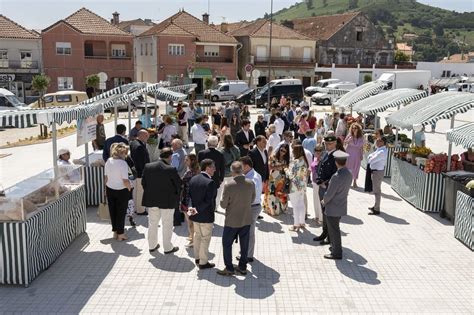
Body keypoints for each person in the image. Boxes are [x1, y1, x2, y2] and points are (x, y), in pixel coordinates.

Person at [217, 161, 255, 276]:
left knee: (227, 244)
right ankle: (242, 267)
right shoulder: (251, 183)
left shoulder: (229, 185)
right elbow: (252, 200)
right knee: (244, 245)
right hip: (246, 219)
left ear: (232, 171)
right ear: (242, 170)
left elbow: (223, 205)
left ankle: (229, 268)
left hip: (232, 220)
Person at [142, 148, 182, 254]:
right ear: (169, 157)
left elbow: (143, 183)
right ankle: (167, 247)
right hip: (167, 201)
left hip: (152, 200)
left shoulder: (148, 166)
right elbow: (178, 185)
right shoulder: (171, 169)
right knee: (167, 224)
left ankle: (152, 245)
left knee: (152, 223)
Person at [322, 150, 352, 260]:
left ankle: (336, 252)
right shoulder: (348, 173)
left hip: (333, 207)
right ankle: (336, 248)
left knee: (334, 230)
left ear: (336, 162)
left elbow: (329, 194)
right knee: (336, 228)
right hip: (341, 205)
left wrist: (324, 201)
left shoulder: (336, 176)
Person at [188, 159, 218, 269]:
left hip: (195, 215)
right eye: (213, 167)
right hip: (205, 216)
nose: (215, 170)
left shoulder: (193, 179)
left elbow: (189, 196)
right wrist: (197, 210)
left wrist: (192, 210)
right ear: (207, 168)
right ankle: (203, 262)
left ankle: (197, 257)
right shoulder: (210, 182)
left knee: (197, 236)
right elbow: (208, 201)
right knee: (205, 238)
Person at [104, 143, 132, 241]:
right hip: (121, 190)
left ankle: (115, 231)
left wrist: (105, 190)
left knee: (113, 211)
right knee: (121, 212)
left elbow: (106, 177)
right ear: (122, 153)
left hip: (110, 188)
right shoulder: (123, 163)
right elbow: (125, 180)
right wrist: (129, 188)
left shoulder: (108, 161)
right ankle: (121, 234)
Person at [313, 135, 338, 244]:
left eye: (331, 143)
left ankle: (330, 237)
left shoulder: (337, 156)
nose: (328, 145)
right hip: (321, 188)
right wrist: (318, 180)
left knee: (329, 213)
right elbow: (319, 168)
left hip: (329, 188)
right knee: (324, 212)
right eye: (327, 144)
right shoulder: (325, 154)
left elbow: (336, 174)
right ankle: (325, 233)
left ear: (335, 143)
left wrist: (325, 183)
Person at [240, 156, 263, 263]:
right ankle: (246, 252)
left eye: (241, 166)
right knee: (247, 231)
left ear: (247, 166)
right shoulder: (253, 175)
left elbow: (251, 195)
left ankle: (248, 256)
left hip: (251, 207)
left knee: (249, 232)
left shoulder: (252, 178)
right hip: (252, 206)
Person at [286, 145, 309, 231]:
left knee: (295, 206)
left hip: (294, 186)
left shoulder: (295, 162)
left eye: (293, 151)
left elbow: (291, 175)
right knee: (301, 204)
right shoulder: (304, 161)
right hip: (302, 186)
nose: (292, 152)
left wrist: (285, 169)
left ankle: (296, 225)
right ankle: (302, 222)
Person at [198, 136, 225, 206]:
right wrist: (221, 179)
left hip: (202, 179)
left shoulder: (201, 153)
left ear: (208, 143)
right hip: (215, 179)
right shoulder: (220, 154)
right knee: (213, 197)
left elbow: (198, 166)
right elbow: (222, 168)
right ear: (216, 144)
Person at [264, 143, 290, 216]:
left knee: (280, 193)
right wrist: (279, 167)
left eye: (284, 151)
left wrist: (282, 168)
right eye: (281, 150)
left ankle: (280, 208)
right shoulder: (273, 156)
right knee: (271, 193)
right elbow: (270, 167)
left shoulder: (286, 159)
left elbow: (287, 168)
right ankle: (271, 209)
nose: (282, 152)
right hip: (273, 177)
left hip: (281, 178)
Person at [180, 154, 200, 248]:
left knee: (191, 221)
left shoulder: (190, 173)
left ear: (192, 161)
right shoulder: (197, 171)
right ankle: (191, 236)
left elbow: (182, 184)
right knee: (190, 221)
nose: (185, 161)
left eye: (187, 160)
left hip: (189, 200)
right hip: (191, 200)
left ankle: (193, 240)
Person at [130, 129, 150, 215]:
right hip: (140, 172)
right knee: (140, 192)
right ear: (140, 135)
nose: (147, 138)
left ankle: (136, 208)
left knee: (136, 192)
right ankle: (140, 210)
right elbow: (140, 162)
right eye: (146, 136)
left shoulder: (133, 142)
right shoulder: (139, 146)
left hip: (136, 172)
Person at [367, 137, 388, 215]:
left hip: (377, 172)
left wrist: (370, 158)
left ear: (384, 143)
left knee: (377, 191)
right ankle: (375, 206)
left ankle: (377, 209)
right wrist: (371, 157)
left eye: (380, 141)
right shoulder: (379, 150)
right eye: (377, 141)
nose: (378, 142)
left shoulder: (382, 151)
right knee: (376, 191)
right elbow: (370, 156)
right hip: (376, 172)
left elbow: (370, 160)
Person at [344, 123, 364, 188]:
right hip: (349, 153)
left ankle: (354, 182)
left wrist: (361, 154)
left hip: (357, 154)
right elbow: (345, 143)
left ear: (358, 129)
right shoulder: (349, 135)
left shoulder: (361, 137)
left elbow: (361, 147)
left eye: (355, 128)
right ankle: (348, 181)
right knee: (348, 167)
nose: (354, 129)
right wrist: (349, 140)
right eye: (353, 128)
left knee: (356, 168)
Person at [364, 128, 383, 193]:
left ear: (380, 134)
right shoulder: (375, 139)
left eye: (376, 133)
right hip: (371, 158)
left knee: (373, 175)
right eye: (375, 133)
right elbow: (369, 148)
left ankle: (372, 188)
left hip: (375, 160)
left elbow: (377, 150)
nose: (375, 134)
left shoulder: (381, 141)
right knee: (369, 174)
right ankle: (369, 188)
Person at [311, 145, 324, 224]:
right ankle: (317, 216)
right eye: (316, 151)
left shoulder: (322, 160)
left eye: (319, 151)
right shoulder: (315, 159)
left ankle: (321, 218)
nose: (317, 153)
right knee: (315, 199)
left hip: (319, 183)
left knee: (319, 200)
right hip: (314, 182)